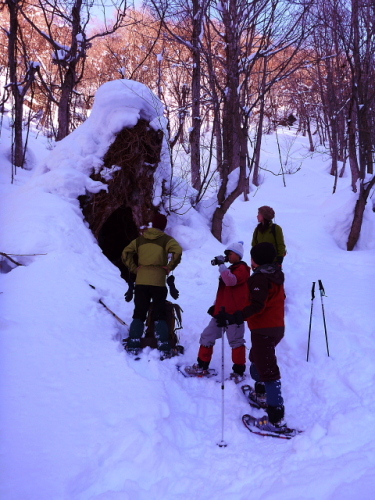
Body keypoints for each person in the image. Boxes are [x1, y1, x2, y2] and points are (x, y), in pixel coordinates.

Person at [216, 241, 287, 433]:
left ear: (254, 260)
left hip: (264, 329)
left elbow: (257, 305)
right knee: (256, 359)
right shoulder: (275, 274)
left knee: (269, 371)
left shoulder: (259, 278)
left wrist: (235, 316)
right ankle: (261, 394)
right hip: (275, 327)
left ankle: (276, 420)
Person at [186, 241, 250, 380]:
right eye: (226, 254)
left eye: (229, 253)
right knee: (207, 336)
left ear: (238, 255)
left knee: (236, 342)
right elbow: (225, 290)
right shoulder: (231, 269)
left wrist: (221, 265)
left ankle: (238, 372)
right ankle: (202, 366)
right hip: (220, 313)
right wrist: (216, 306)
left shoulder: (242, 269)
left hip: (234, 315)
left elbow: (230, 281)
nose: (227, 256)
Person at [121, 212, 182, 356]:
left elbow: (125, 253)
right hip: (158, 281)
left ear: (152, 224)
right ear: (164, 226)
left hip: (141, 280)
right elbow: (177, 251)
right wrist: (169, 266)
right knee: (159, 312)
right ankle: (163, 345)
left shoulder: (140, 240)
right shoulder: (166, 240)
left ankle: (134, 342)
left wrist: (134, 268)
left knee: (139, 311)